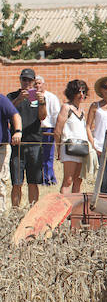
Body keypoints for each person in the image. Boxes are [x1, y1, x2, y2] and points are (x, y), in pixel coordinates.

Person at [8, 68, 47, 208]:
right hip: (17, 143)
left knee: (33, 181)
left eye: (30, 80)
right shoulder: (12, 96)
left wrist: (42, 102)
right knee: (17, 181)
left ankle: (33, 210)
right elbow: (7, 113)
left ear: (34, 82)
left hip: (34, 142)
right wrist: (19, 99)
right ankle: (16, 210)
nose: (27, 83)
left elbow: (42, 117)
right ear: (20, 80)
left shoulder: (37, 97)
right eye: (24, 79)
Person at [55, 79, 92, 195]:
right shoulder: (66, 107)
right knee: (68, 180)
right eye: (78, 92)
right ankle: (63, 208)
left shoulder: (82, 111)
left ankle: (75, 209)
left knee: (78, 181)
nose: (81, 95)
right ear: (72, 93)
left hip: (82, 148)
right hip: (69, 147)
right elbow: (58, 130)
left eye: (83, 92)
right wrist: (58, 149)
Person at [35, 75, 60, 186]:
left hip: (48, 128)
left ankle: (49, 179)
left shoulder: (51, 97)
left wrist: (56, 130)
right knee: (37, 156)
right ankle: (40, 178)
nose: (37, 85)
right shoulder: (31, 97)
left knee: (48, 155)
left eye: (39, 83)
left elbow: (56, 114)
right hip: (35, 129)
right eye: (35, 83)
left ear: (44, 84)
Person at [0, 94, 21, 213]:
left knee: (0, 182)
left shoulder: (1, 99)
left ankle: (1, 214)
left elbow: (15, 115)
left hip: (1, 147)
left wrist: (18, 131)